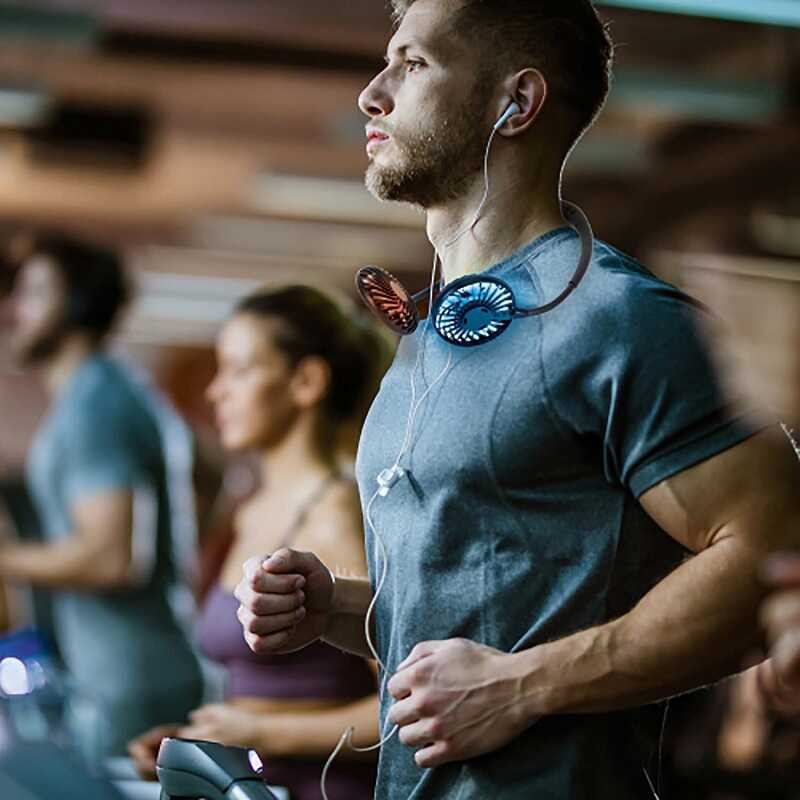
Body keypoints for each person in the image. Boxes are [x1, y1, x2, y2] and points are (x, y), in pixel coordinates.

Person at [234, 2, 800, 798]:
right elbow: (497, 607)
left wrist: (525, 685)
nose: (372, 92)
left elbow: (773, 557)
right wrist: (335, 607)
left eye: (415, 63)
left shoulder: (619, 318)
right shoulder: (427, 340)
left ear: (517, 103)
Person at [129, 286, 384, 800]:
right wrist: (201, 744)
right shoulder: (248, 511)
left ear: (306, 381)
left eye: (240, 371)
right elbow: (268, 698)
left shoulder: (334, 513)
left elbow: (407, 706)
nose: (216, 392)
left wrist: (258, 734)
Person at [0, 232, 203, 759]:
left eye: (33, 293)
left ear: (75, 304)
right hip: (123, 672)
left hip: (133, 680)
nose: (14, 309)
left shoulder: (97, 404)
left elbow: (112, 558)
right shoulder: (101, 394)